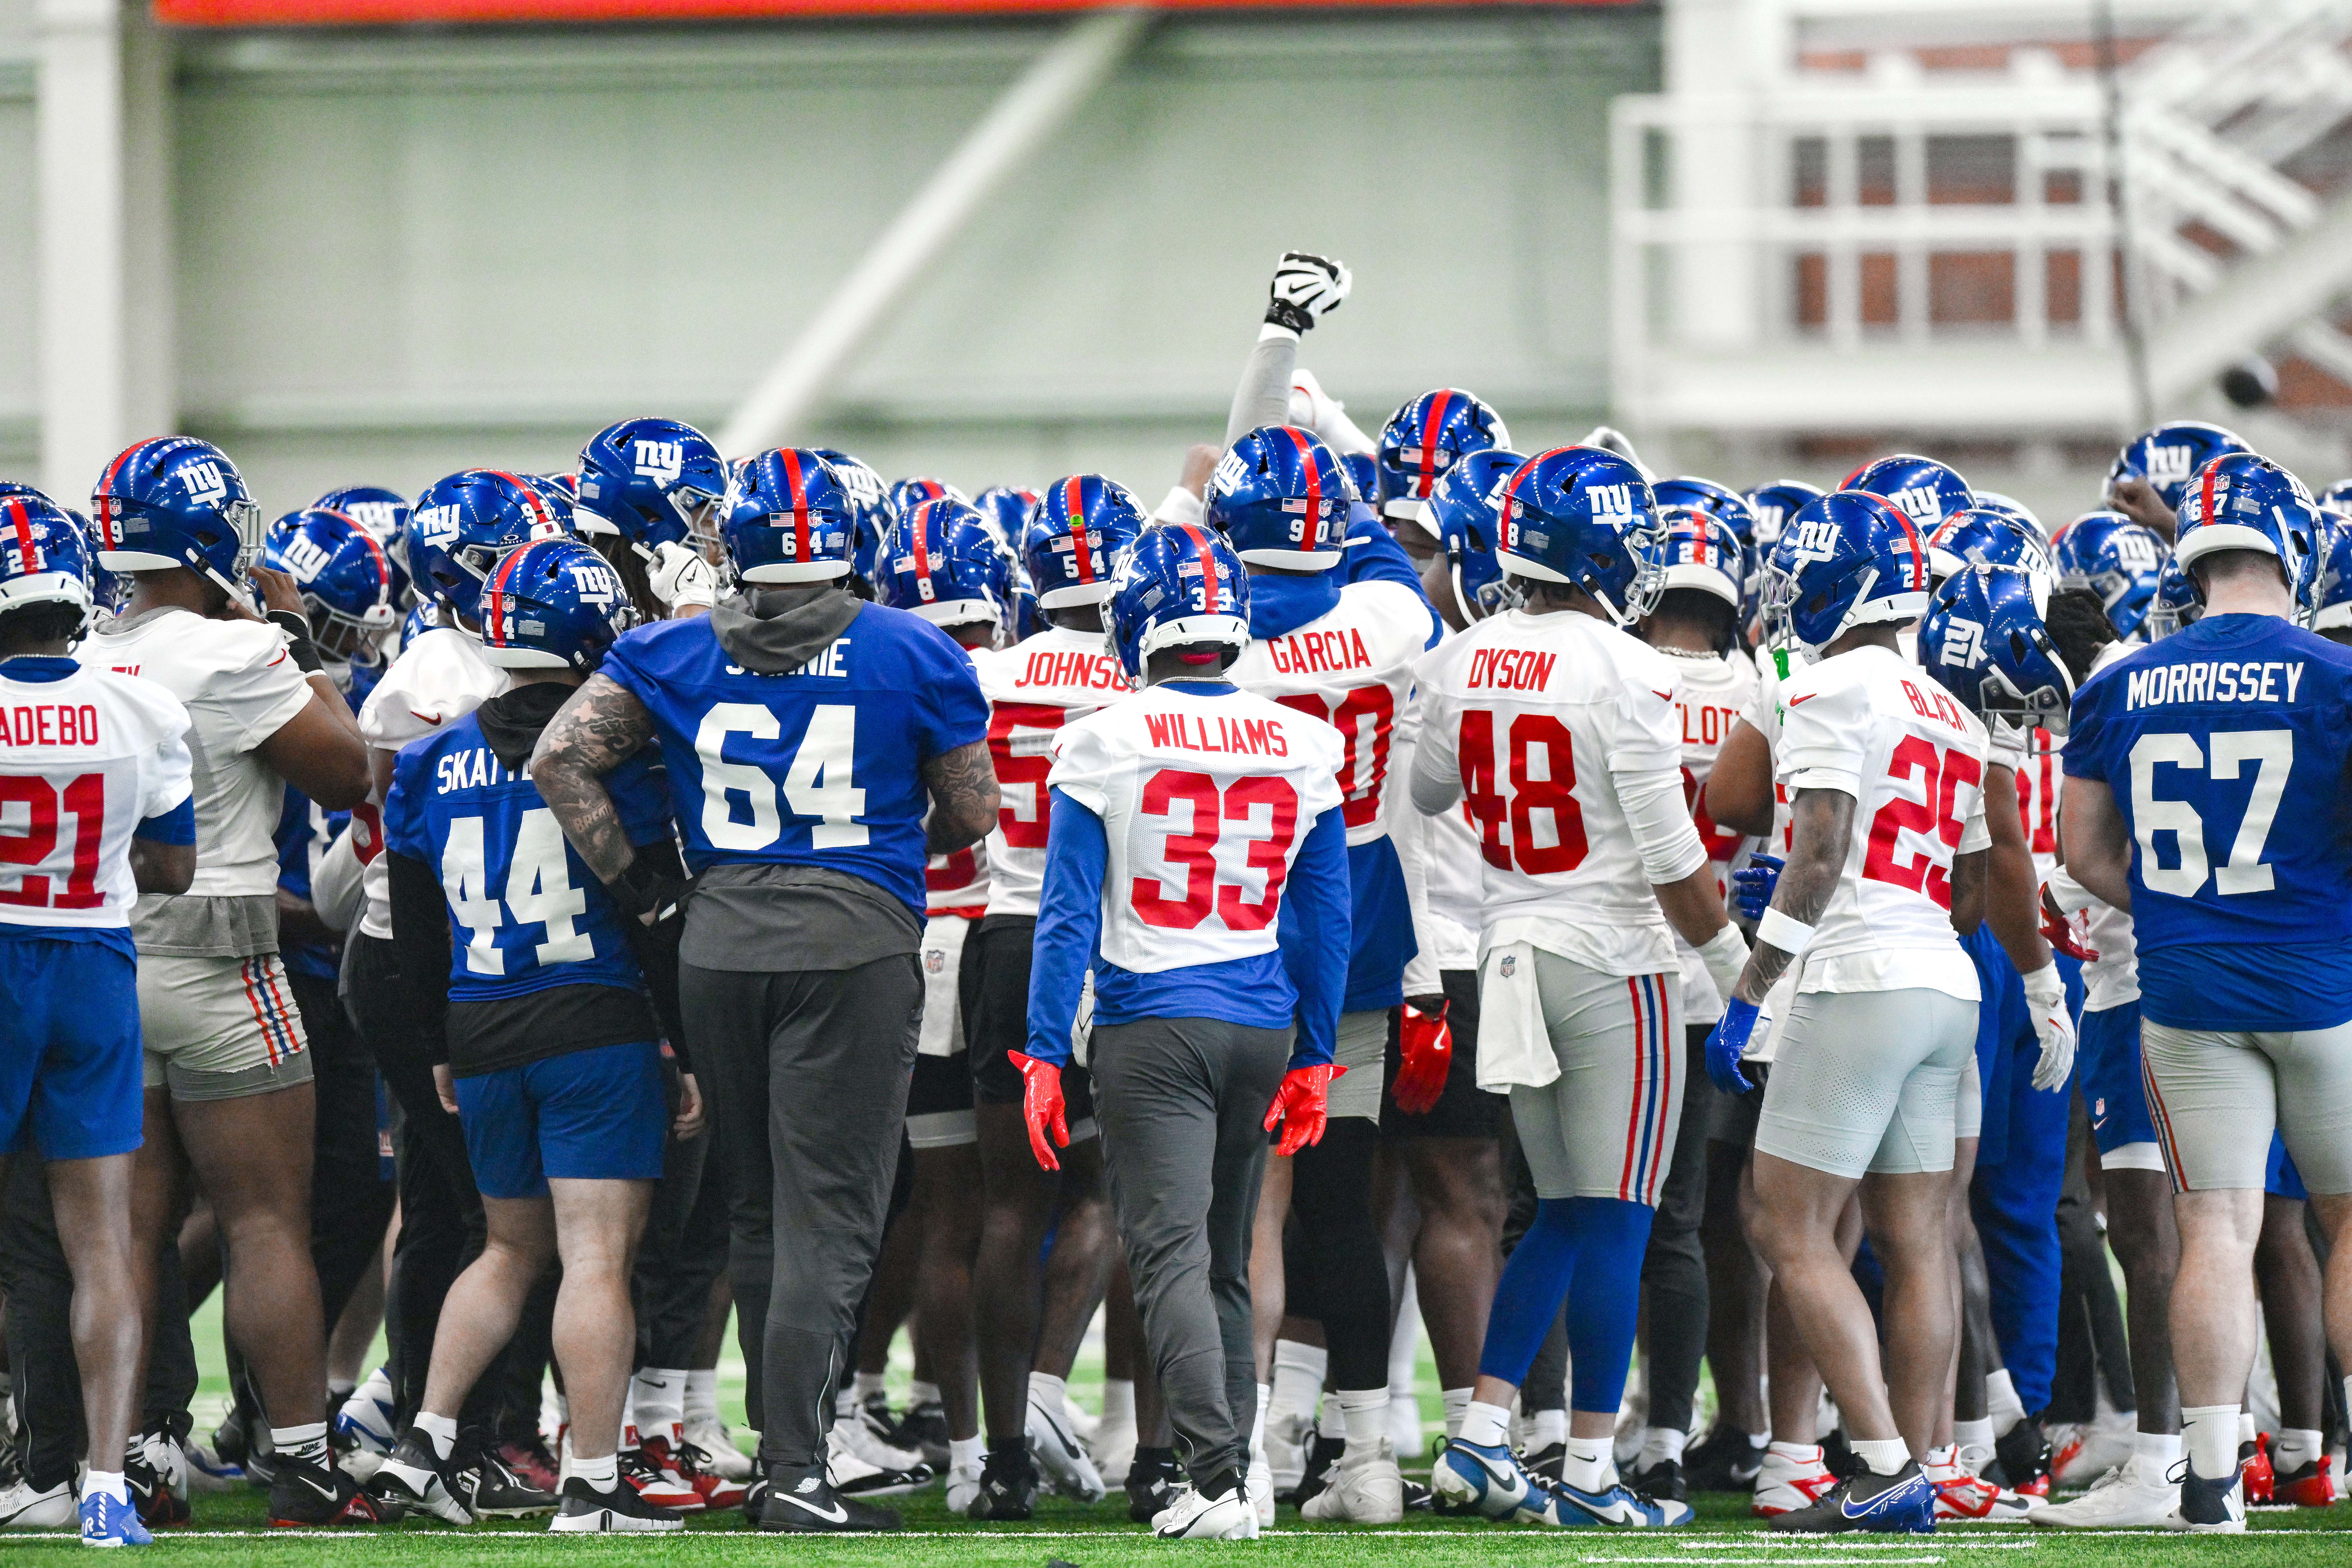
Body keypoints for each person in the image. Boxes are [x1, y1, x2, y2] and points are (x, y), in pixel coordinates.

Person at [530, 446, 996, 1533]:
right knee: (833, 1215)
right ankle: (795, 1466)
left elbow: (560, 757)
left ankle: (780, 1453)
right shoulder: (911, 647)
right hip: (853, 950)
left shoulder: (668, 647)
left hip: (721, 945)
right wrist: (882, 858)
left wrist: (647, 889)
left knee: (757, 1207)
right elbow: (973, 816)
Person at [1418, 445, 1744, 1531]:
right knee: (1616, 1223)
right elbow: (1674, 864)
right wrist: (1748, 985)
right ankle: (1595, 1471)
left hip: (1509, 947)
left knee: (1558, 1215)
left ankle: (1478, 1433)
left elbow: (1426, 787)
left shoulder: (1460, 657)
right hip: (1616, 959)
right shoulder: (1629, 668)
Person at [1016, 520, 1351, 1541]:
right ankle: (1237, 1476)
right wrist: (1320, 1048)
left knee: (1166, 1260)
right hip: (1261, 1017)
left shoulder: (1106, 735)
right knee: (1223, 1260)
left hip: (1153, 1021)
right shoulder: (1303, 735)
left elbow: (1068, 909)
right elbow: (1325, 912)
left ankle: (1212, 1480)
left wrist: (1038, 1048)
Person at [369, 536, 694, 1533]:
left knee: (507, 1250)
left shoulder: (430, 761)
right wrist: (682, 1042)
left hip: (480, 1021)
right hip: (591, 1021)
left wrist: (436, 1047)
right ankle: (593, 1483)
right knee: (597, 1258)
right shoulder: (619, 751)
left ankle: (423, 1445)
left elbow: (413, 926)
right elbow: (652, 912)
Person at [82, 437, 379, 1527]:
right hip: (223, 961)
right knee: (265, 1223)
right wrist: (293, 636)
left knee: (131, 1234)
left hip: (110, 956)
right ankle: (302, 1462)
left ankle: (138, 1455)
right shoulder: (233, 651)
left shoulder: (86, 646)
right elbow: (348, 768)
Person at [2057, 452, 2352, 1533]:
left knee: (2214, 1227)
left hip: (2185, 986)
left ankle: (2211, 1484)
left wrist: (2185, 910)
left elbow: (2081, 849)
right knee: (2348, 1216)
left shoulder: (2124, 679)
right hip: (2324, 978)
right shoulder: (2333, 673)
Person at [1704, 489, 1992, 1534]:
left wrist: (1752, 991)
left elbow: (1818, 853)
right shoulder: (1953, 707)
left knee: (1779, 1219)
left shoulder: (1828, 688)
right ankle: (1917, 1464)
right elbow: (1970, 888)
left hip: (1859, 976)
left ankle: (1874, 1460)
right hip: (1944, 981)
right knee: (1920, 1238)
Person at [1211, 419, 1439, 1525]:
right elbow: (1383, 549)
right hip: (1362, 919)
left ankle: (1246, 1450)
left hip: (1245, 922)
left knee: (1253, 1209)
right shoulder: (1389, 614)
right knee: (1345, 1204)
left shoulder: (1219, 636)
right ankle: (1366, 1455)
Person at [345, 470, 563, 1501]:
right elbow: (396, 826)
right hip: (430, 957)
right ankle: (481, 1435)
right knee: (498, 1213)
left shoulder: (448, 652)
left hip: (441, 954)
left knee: (442, 1207)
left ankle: (408, 1408)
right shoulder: (445, 659)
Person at [0, 492, 196, 1546]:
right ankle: (106, 1483)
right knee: (101, 1243)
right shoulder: (140, 702)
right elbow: (172, 866)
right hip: (92, 960)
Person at [961, 476, 1144, 1517]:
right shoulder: (1141, 678)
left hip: (1005, 930)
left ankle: (1003, 1458)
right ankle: (1050, 1400)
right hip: (1116, 937)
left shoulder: (986, 673)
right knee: (1106, 1195)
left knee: (1005, 1203)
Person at [1625, 503, 1759, 1501]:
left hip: (1630, 966)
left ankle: (1576, 1427)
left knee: (1586, 1212)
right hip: (1739, 980)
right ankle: (1686, 1427)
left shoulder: (1621, 677)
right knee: (1708, 1220)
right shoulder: (1770, 689)